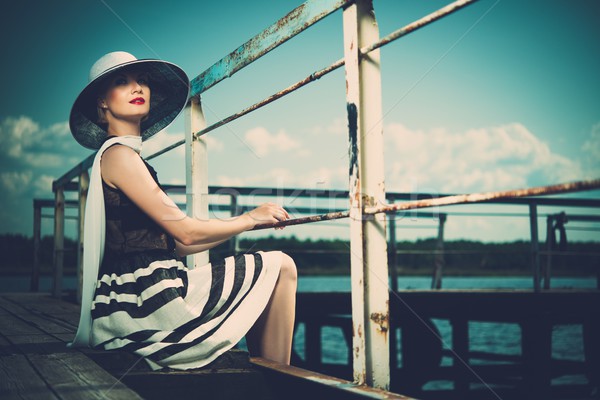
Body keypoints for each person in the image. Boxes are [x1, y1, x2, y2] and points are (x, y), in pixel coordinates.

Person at [68, 51, 297, 371]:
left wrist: (246, 226)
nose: (138, 88)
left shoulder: (126, 158)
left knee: (272, 269)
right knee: (282, 266)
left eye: (142, 81)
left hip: (145, 287)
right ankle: (278, 383)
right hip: (143, 298)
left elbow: (178, 245)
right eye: (122, 82)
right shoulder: (120, 156)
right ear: (102, 102)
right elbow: (185, 230)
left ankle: (273, 377)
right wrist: (247, 218)